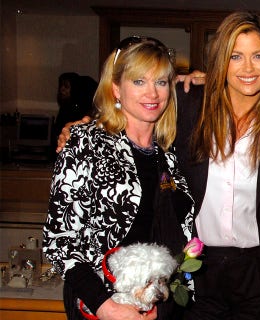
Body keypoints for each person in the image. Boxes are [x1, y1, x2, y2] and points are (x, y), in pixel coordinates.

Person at [43, 36, 194, 320]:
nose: (152, 93)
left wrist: (161, 308)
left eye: (161, 82)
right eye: (139, 81)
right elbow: (59, 240)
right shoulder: (84, 144)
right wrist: (106, 306)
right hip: (98, 305)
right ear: (115, 88)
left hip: (158, 304)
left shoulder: (170, 153)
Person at [175, 12, 260, 320]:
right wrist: (81, 126)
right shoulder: (188, 104)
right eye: (236, 56)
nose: (248, 68)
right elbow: (130, 117)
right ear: (222, 61)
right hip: (195, 265)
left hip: (258, 271)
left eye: (258, 56)